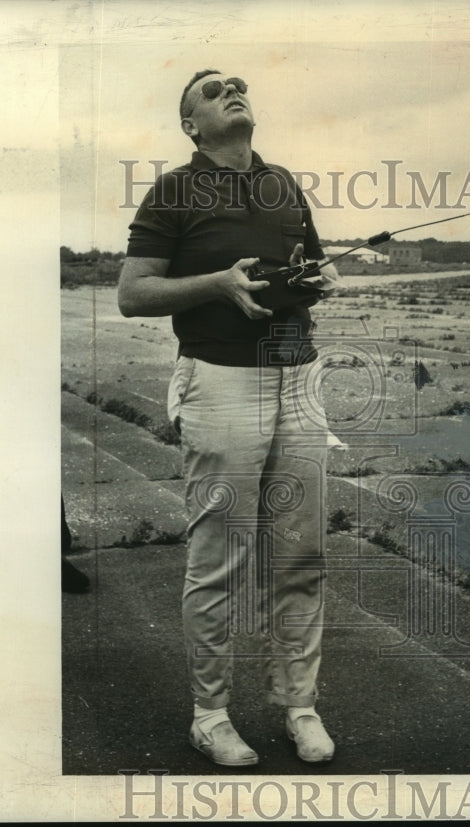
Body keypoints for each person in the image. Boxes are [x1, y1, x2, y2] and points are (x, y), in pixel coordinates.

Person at [116, 70, 339, 767]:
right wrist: (217, 283)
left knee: (301, 555)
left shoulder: (282, 185)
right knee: (220, 563)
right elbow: (132, 293)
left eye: (238, 84)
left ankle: (299, 705)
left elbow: (310, 265)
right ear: (191, 125)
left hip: (299, 378)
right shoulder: (172, 191)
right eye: (213, 90)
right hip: (219, 384)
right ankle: (209, 715)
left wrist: (319, 278)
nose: (232, 90)